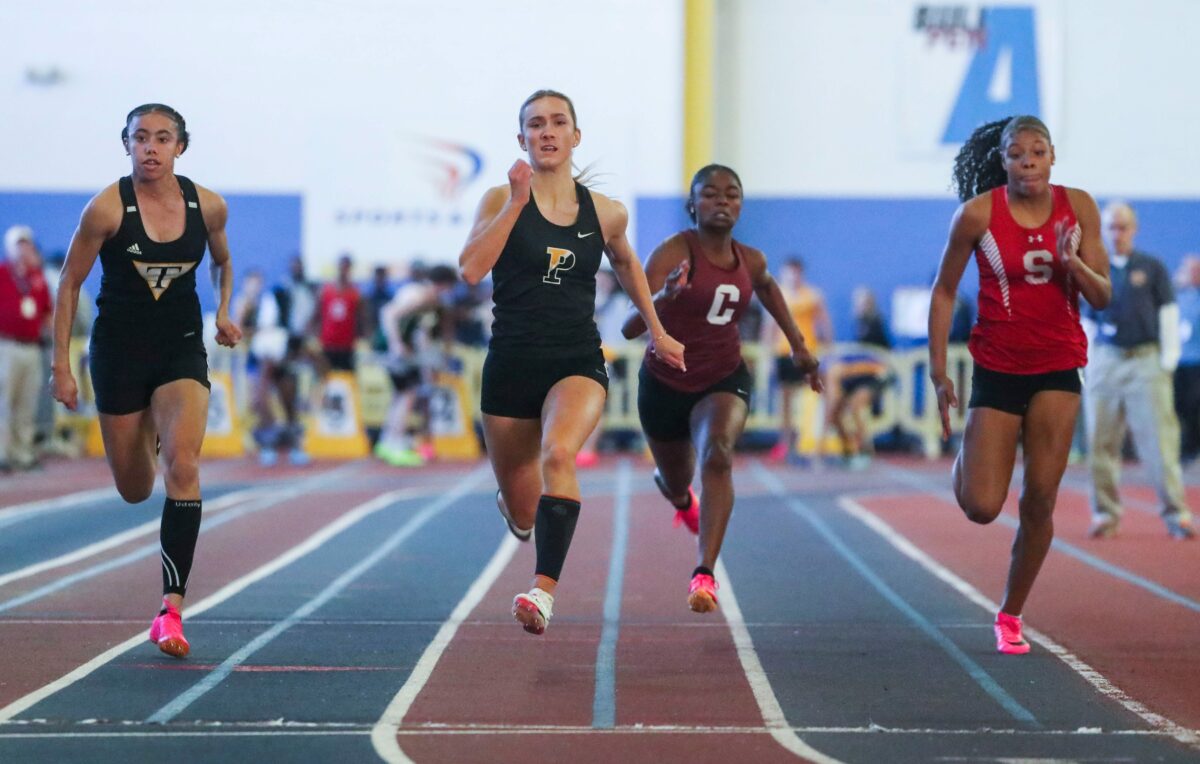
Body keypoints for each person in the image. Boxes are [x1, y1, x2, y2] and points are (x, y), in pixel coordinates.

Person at [458, 89, 685, 636]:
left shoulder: (606, 211)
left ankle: (542, 593)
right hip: (510, 364)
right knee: (525, 513)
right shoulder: (497, 199)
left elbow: (627, 264)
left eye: (559, 122)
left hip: (575, 359)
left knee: (559, 452)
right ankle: (514, 505)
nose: (548, 131)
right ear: (523, 140)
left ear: (575, 136)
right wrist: (515, 203)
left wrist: (657, 329)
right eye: (536, 124)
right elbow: (470, 271)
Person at [50, 104, 243, 658]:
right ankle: (148, 430)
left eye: (163, 138)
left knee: (182, 465)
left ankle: (170, 611)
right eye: (140, 138)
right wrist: (61, 367)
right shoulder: (107, 209)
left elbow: (224, 262)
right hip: (118, 353)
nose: (151, 148)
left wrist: (225, 310)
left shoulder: (207, 204)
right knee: (135, 488)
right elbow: (68, 285)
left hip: (180, 350)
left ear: (181, 146)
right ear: (127, 145)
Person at [929, 115, 1111, 655]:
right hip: (999, 366)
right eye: (1016, 154)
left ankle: (1010, 613)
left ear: (1053, 156)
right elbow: (943, 292)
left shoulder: (1078, 206)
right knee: (982, 506)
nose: (1027, 161)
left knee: (1039, 501)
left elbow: (1103, 297)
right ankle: (970, 455)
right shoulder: (978, 214)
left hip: (1057, 365)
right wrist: (940, 374)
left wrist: (1071, 263)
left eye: (1037, 152)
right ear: (1003, 160)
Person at [624, 164, 820, 613]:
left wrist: (799, 347)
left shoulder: (751, 260)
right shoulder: (672, 253)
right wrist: (666, 299)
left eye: (731, 194)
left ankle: (704, 573)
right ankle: (679, 497)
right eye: (710, 194)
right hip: (664, 382)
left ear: (741, 206)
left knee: (718, 452)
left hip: (722, 377)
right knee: (677, 481)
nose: (722, 201)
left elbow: (768, 290)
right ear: (693, 205)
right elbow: (630, 327)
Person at [1081, 202, 1194, 540]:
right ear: (1102, 231)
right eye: (1111, 227)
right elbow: (1086, 318)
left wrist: (1168, 359)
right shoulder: (1092, 267)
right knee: (1100, 442)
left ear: (1134, 229)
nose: (1117, 233)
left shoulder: (1152, 267)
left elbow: (1169, 313)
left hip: (1145, 360)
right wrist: (1087, 361)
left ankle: (1177, 515)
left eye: (1123, 226)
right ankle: (1105, 514)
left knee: (1160, 442)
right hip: (1105, 358)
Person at [374, 264, 458, 467]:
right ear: (443, 285)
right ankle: (395, 445)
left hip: (402, 349)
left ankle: (387, 442)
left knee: (400, 393)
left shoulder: (429, 299)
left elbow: (421, 331)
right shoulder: (421, 296)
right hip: (392, 347)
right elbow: (388, 313)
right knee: (408, 393)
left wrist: (428, 359)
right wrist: (396, 343)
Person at [763, 256, 831, 463]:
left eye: (795, 272)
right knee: (784, 401)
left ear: (800, 273)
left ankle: (818, 441)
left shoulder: (813, 296)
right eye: (788, 272)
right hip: (784, 353)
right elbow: (770, 326)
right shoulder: (777, 295)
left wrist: (827, 347)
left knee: (822, 393)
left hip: (807, 352)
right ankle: (785, 443)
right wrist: (767, 357)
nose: (792, 276)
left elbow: (824, 323)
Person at [0, 225, 54, 472]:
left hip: (32, 348)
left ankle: (22, 452)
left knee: (27, 402)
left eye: (27, 244)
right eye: (19, 245)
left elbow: (46, 312)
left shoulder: (37, 277)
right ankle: (3, 452)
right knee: (4, 401)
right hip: (6, 346)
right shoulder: (2, 274)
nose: (24, 250)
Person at [825, 286, 891, 469]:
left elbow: (880, 356)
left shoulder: (875, 323)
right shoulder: (859, 322)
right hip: (857, 376)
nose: (860, 305)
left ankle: (865, 449)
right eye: (858, 302)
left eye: (863, 301)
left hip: (873, 377)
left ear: (870, 303)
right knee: (835, 412)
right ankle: (847, 448)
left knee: (856, 407)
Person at [1174, 254, 1200, 464]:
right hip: (1179, 360)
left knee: (1195, 406)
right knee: (1179, 406)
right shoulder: (1179, 296)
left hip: (1197, 361)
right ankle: (1183, 448)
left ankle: (1192, 449)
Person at [319, 253, 364, 372]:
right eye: (341, 266)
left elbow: (361, 318)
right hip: (328, 343)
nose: (343, 270)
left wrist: (363, 337)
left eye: (346, 267)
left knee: (347, 378)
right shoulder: (326, 291)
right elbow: (317, 315)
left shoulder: (355, 293)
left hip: (347, 345)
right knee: (325, 377)